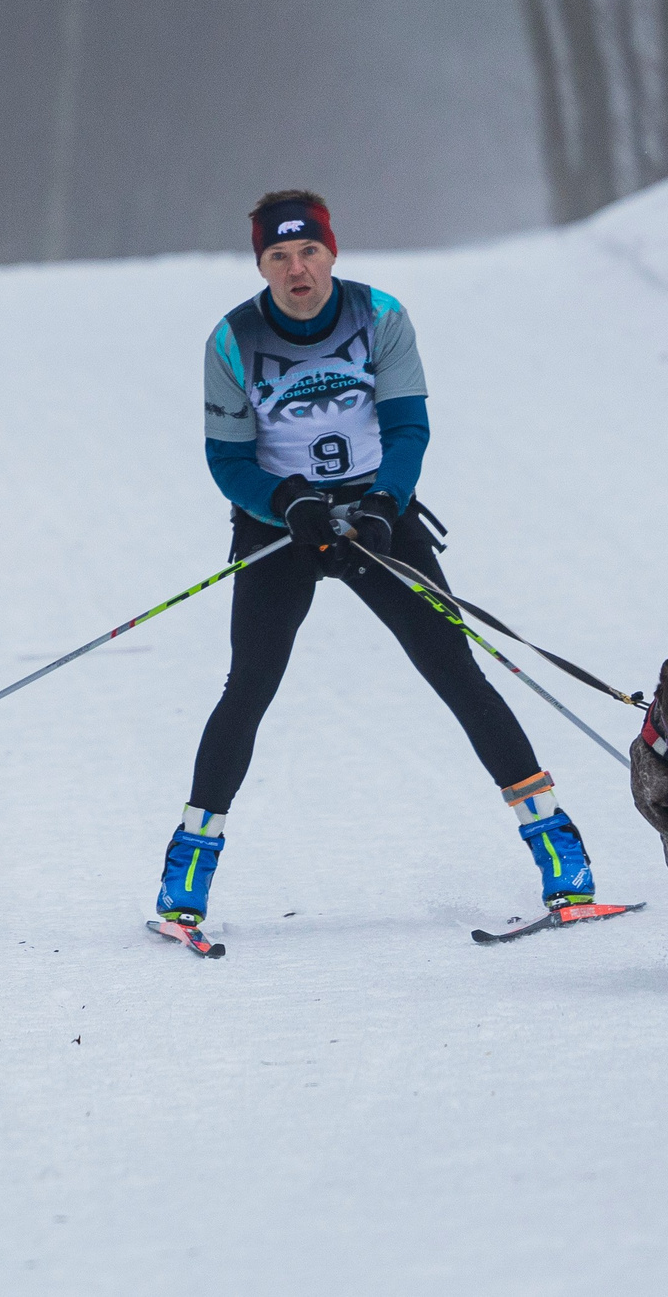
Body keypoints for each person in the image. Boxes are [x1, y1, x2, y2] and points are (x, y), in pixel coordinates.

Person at [155, 189, 594, 927]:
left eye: (309, 252)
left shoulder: (379, 316)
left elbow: (408, 428)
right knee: (250, 684)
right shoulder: (231, 340)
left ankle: (561, 858)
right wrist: (287, 502)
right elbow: (227, 459)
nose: (298, 270)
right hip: (281, 523)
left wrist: (385, 505)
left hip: (375, 516)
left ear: (332, 251)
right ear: (261, 263)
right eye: (279, 257)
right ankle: (185, 881)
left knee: (455, 667)